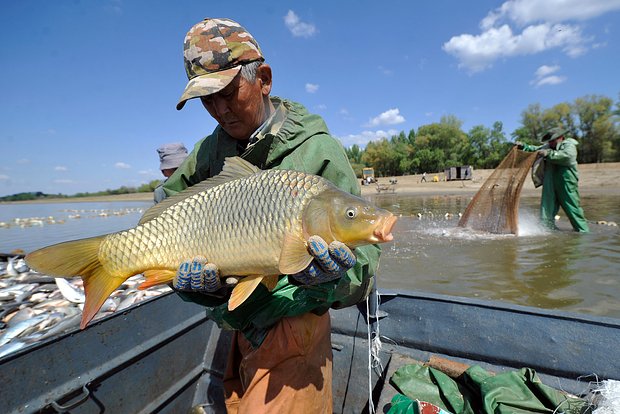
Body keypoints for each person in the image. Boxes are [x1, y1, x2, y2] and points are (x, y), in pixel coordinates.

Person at [162, 18, 381, 413]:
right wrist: (198, 288)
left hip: (295, 328)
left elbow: (363, 264)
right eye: (206, 100)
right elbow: (162, 214)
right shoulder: (208, 152)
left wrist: (333, 280)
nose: (219, 110)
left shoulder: (318, 152)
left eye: (227, 93)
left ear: (263, 78)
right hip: (236, 321)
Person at [516, 127, 589, 232]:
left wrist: (549, 154)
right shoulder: (547, 146)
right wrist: (524, 147)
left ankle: (583, 232)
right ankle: (547, 231)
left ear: (561, 138)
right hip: (549, 182)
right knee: (546, 209)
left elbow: (568, 157)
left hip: (566, 182)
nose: (551, 143)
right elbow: (535, 149)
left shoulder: (569, 145)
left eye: (553, 140)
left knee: (573, 209)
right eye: (550, 141)